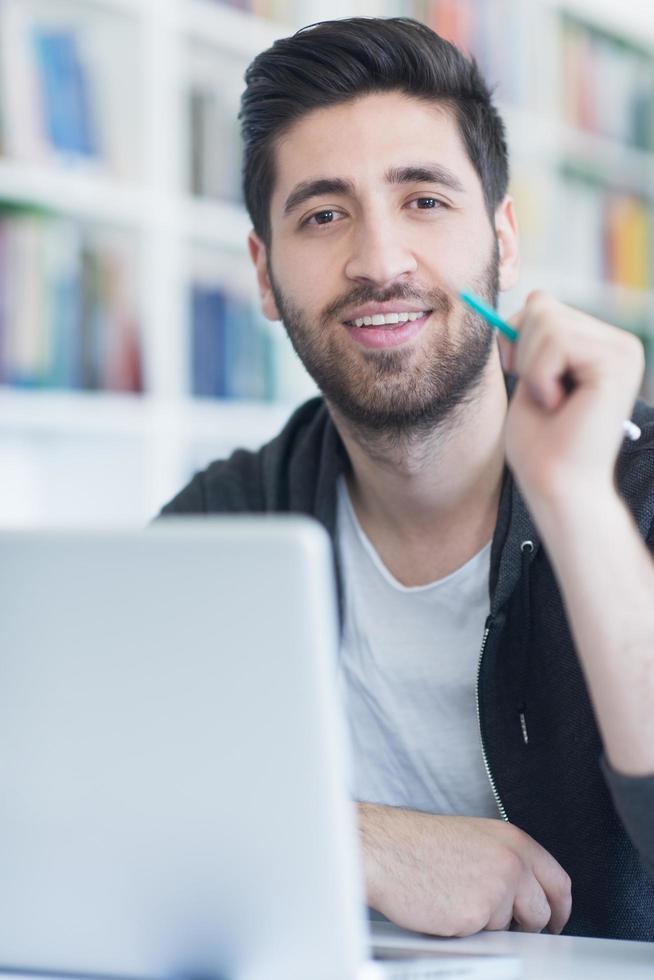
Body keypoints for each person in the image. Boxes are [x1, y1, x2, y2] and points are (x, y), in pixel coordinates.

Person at [161, 18, 654, 941]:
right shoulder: (226, 523)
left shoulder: (633, 482)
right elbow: (90, 800)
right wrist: (357, 840)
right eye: (322, 214)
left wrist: (580, 503)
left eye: (424, 201)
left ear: (503, 241)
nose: (380, 263)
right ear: (265, 276)